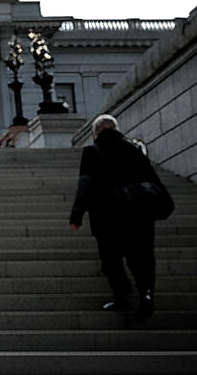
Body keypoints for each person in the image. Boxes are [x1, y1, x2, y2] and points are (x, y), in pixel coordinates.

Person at [70, 114, 173, 320]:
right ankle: (146, 295)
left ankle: (121, 295)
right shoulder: (134, 149)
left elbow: (85, 185)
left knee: (111, 258)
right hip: (139, 214)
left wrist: (77, 215)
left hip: (107, 216)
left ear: (96, 132)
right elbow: (152, 180)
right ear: (116, 129)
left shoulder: (92, 151)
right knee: (143, 257)